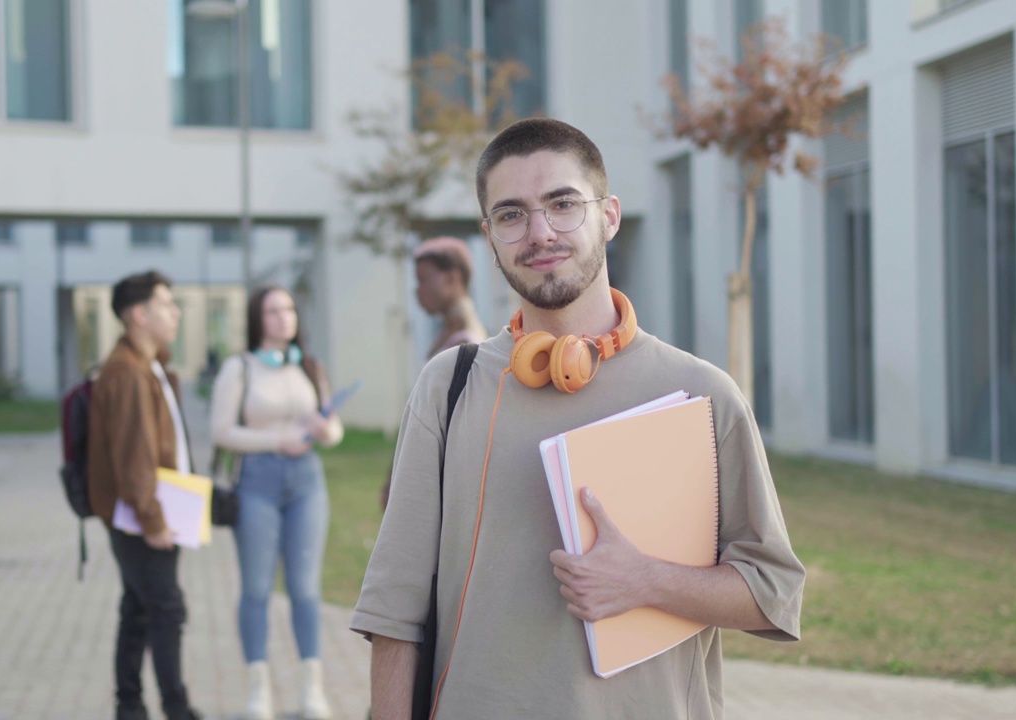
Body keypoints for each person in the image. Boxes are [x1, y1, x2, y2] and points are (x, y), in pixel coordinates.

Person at [350, 118, 805, 719]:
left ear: (609, 216)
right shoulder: (448, 385)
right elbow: (394, 610)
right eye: (511, 214)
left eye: (563, 204)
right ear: (490, 235)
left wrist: (645, 580)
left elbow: (773, 592)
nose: (540, 233)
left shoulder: (701, 393)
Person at [210, 286, 344, 720]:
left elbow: (334, 426)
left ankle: (311, 690)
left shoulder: (309, 365)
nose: (283, 318)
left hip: (307, 482)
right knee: (256, 588)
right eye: (272, 311)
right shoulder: (239, 368)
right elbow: (222, 431)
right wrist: (276, 440)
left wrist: (325, 432)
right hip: (257, 481)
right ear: (257, 318)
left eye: (288, 309)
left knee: (305, 587)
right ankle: (258, 692)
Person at [87, 270, 203, 720]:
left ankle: (130, 706)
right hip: (141, 517)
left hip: (148, 511)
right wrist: (154, 521)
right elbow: (134, 456)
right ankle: (175, 709)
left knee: (138, 609)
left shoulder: (149, 363)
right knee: (166, 609)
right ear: (138, 314)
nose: (175, 312)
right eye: (166, 305)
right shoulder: (128, 370)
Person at [379, 236, 490, 509]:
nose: (417, 291)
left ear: (451, 279)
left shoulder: (464, 342)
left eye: (423, 280)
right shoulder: (449, 332)